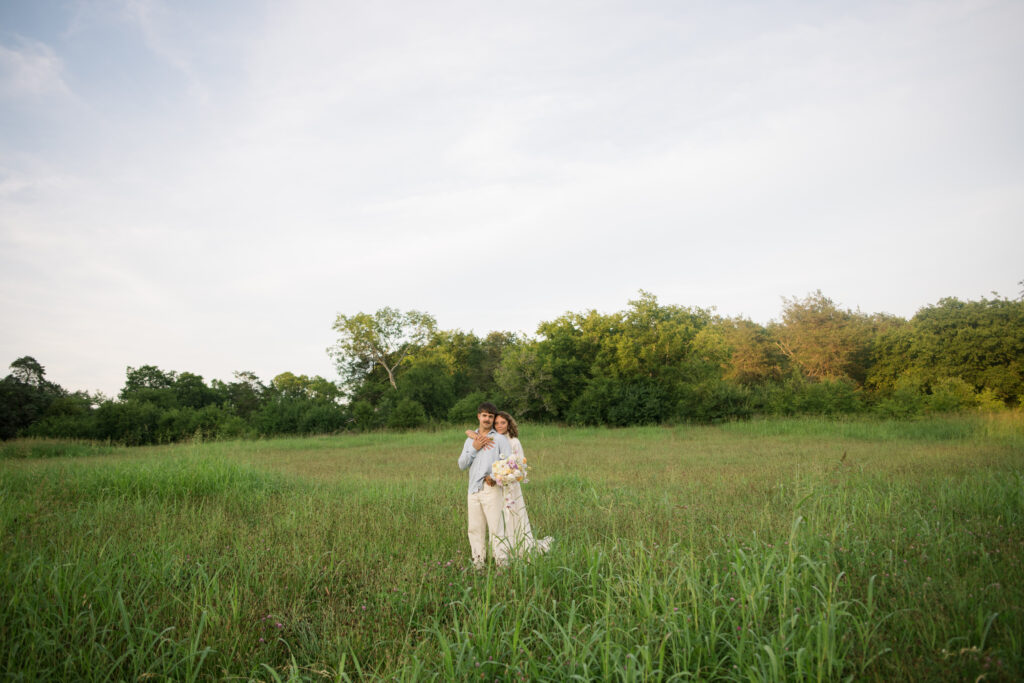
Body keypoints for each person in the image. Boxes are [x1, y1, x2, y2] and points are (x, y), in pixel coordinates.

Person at [467, 411, 553, 558]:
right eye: (497, 423)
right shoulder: (492, 439)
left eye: (503, 423)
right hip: (493, 487)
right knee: (497, 520)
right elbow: (470, 432)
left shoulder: (514, 442)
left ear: (509, 424)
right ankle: (499, 551)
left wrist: (502, 477)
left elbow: (519, 467)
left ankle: (516, 550)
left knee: (511, 516)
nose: (499, 426)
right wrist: (472, 434)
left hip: (509, 486)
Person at [457, 401, 511, 568]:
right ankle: (478, 564)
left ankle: (502, 564)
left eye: (490, 416)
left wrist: (494, 476)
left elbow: (509, 463)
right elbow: (461, 464)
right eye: (484, 415)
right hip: (473, 489)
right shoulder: (469, 440)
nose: (487, 419)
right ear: (478, 416)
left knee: (496, 528)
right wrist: (475, 447)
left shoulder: (499, 439)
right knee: (474, 529)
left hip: (491, 489)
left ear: (493, 418)